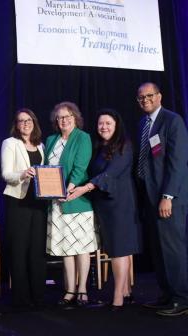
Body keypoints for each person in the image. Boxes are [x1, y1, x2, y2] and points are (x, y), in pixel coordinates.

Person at [66, 109, 141, 310]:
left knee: (119, 249)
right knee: (119, 249)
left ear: (116, 125)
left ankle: (118, 298)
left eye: (108, 123)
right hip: (104, 205)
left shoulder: (124, 145)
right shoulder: (100, 147)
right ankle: (125, 292)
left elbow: (111, 173)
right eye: (100, 124)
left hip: (120, 204)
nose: (104, 127)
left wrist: (85, 188)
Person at [134, 82, 188, 317]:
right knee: (158, 250)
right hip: (149, 197)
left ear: (159, 96)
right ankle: (167, 295)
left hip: (168, 198)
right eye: (141, 97)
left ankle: (182, 298)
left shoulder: (172, 120)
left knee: (172, 250)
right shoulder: (143, 124)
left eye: (149, 96)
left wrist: (168, 196)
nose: (145, 100)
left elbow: (177, 163)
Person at [45, 101, 98, 306]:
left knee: (81, 248)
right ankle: (69, 290)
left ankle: (82, 289)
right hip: (56, 203)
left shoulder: (82, 138)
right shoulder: (51, 140)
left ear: (75, 118)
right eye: (60, 117)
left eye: (68, 116)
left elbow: (80, 166)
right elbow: (46, 168)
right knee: (66, 248)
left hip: (77, 200)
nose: (64, 120)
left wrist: (69, 188)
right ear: (56, 121)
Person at [1, 108, 47, 308]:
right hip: (18, 201)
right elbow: (6, 174)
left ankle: (38, 296)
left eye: (29, 120)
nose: (25, 124)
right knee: (19, 249)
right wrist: (23, 173)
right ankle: (21, 298)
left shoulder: (41, 145)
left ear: (34, 122)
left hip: (38, 203)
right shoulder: (10, 143)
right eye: (21, 121)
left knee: (36, 250)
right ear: (16, 125)